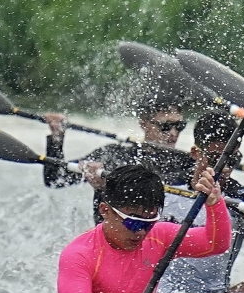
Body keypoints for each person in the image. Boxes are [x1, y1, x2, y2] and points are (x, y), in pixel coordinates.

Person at [45, 164, 232, 293]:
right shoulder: (80, 254)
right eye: (133, 222)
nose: (141, 231)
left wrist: (215, 204)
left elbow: (215, 244)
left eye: (148, 222)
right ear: (105, 210)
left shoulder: (159, 237)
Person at [153, 111, 244, 293]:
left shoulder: (242, 199)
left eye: (232, 160)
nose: (225, 169)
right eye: (214, 159)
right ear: (195, 153)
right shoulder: (166, 187)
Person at [43, 90, 196, 223]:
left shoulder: (187, 162)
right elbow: (55, 179)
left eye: (179, 126)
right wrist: (57, 139)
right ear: (144, 124)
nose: (174, 133)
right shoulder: (114, 154)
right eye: (165, 127)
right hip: (114, 243)